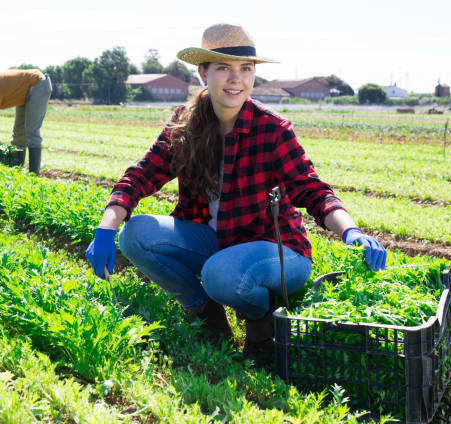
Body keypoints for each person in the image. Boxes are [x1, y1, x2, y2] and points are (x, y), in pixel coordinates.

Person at [86, 23, 386, 361]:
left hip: (279, 252)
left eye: (246, 69)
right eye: (224, 68)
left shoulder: (272, 130)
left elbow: (312, 189)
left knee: (221, 272)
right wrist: (105, 227)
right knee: (134, 235)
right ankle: (206, 312)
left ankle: (261, 324)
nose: (236, 79)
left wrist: (351, 230)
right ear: (203, 73)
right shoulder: (185, 123)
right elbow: (141, 175)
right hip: (218, 243)